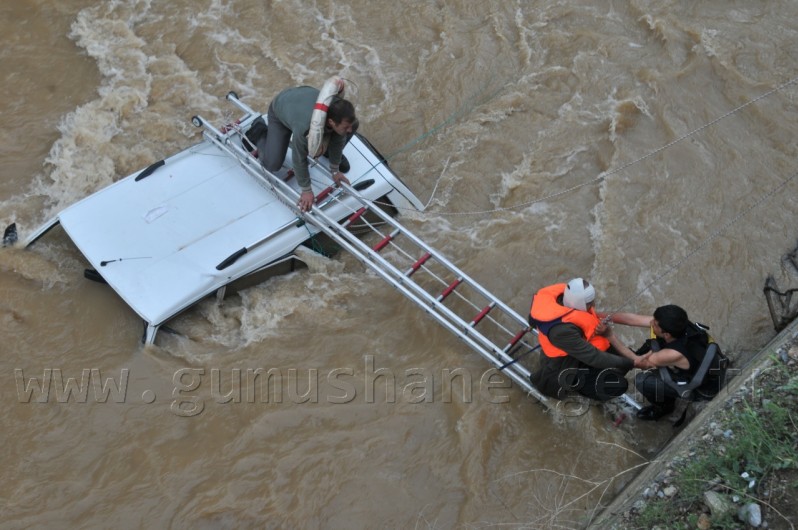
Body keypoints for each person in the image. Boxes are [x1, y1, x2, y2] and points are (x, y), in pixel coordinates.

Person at [528, 278, 646, 401]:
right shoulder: (562, 331)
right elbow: (594, 357)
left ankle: (605, 375)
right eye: (589, 303)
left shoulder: (564, 301)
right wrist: (631, 363)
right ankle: (581, 389)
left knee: (626, 358)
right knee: (618, 385)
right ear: (578, 302)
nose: (593, 305)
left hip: (578, 351)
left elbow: (532, 320)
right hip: (567, 367)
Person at [611, 305, 727, 421]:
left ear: (666, 334)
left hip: (704, 389)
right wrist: (603, 317)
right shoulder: (679, 324)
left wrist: (609, 335)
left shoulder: (673, 354)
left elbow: (638, 362)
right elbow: (631, 319)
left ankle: (665, 406)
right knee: (653, 345)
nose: (651, 323)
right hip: (712, 368)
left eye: (654, 324)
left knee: (642, 380)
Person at [257, 83, 356, 211]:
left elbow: (339, 139)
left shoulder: (339, 112)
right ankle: (259, 131)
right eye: (346, 127)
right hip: (282, 108)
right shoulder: (306, 128)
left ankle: (327, 150)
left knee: (348, 128)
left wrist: (335, 170)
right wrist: (306, 190)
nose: (350, 130)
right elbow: (298, 158)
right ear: (331, 122)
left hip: (302, 102)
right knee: (272, 164)